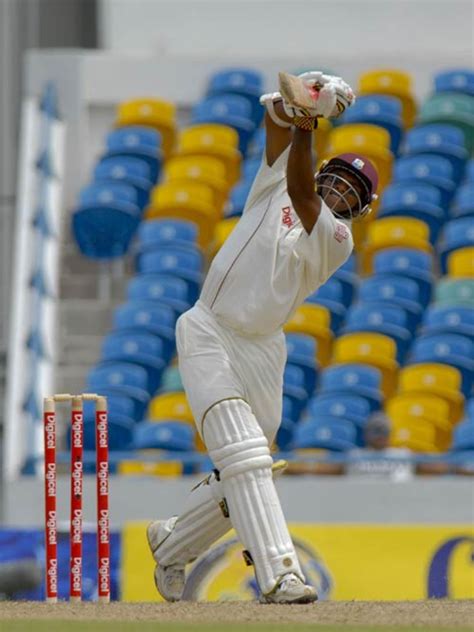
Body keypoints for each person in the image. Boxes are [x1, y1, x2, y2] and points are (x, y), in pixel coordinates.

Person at [146, 71, 379, 604]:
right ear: (325, 172)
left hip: (263, 350)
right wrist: (304, 101)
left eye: (352, 192)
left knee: (241, 471)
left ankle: (170, 544)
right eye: (337, 179)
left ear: (358, 210)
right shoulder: (273, 184)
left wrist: (308, 122)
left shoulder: (335, 238)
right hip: (209, 329)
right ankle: (280, 575)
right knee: (247, 458)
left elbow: (302, 187)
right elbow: (275, 120)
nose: (340, 190)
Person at [286, 411, 450, 479]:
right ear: (366, 435)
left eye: (383, 432)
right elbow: (320, 471)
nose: (380, 437)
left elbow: (442, 469)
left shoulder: (404, 455)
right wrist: (290, 469)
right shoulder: (354, 457)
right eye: (376, 432)